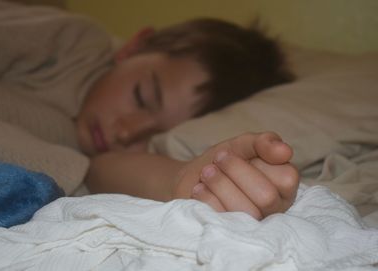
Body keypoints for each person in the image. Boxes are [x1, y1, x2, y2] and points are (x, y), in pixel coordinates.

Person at [76, 18, 299, 219]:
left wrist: (184, 180)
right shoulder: (66, 44)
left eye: (155, 137)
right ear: (135, 47)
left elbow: (100, 169)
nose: (126, 132)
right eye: (141, 97)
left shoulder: (103, 162)